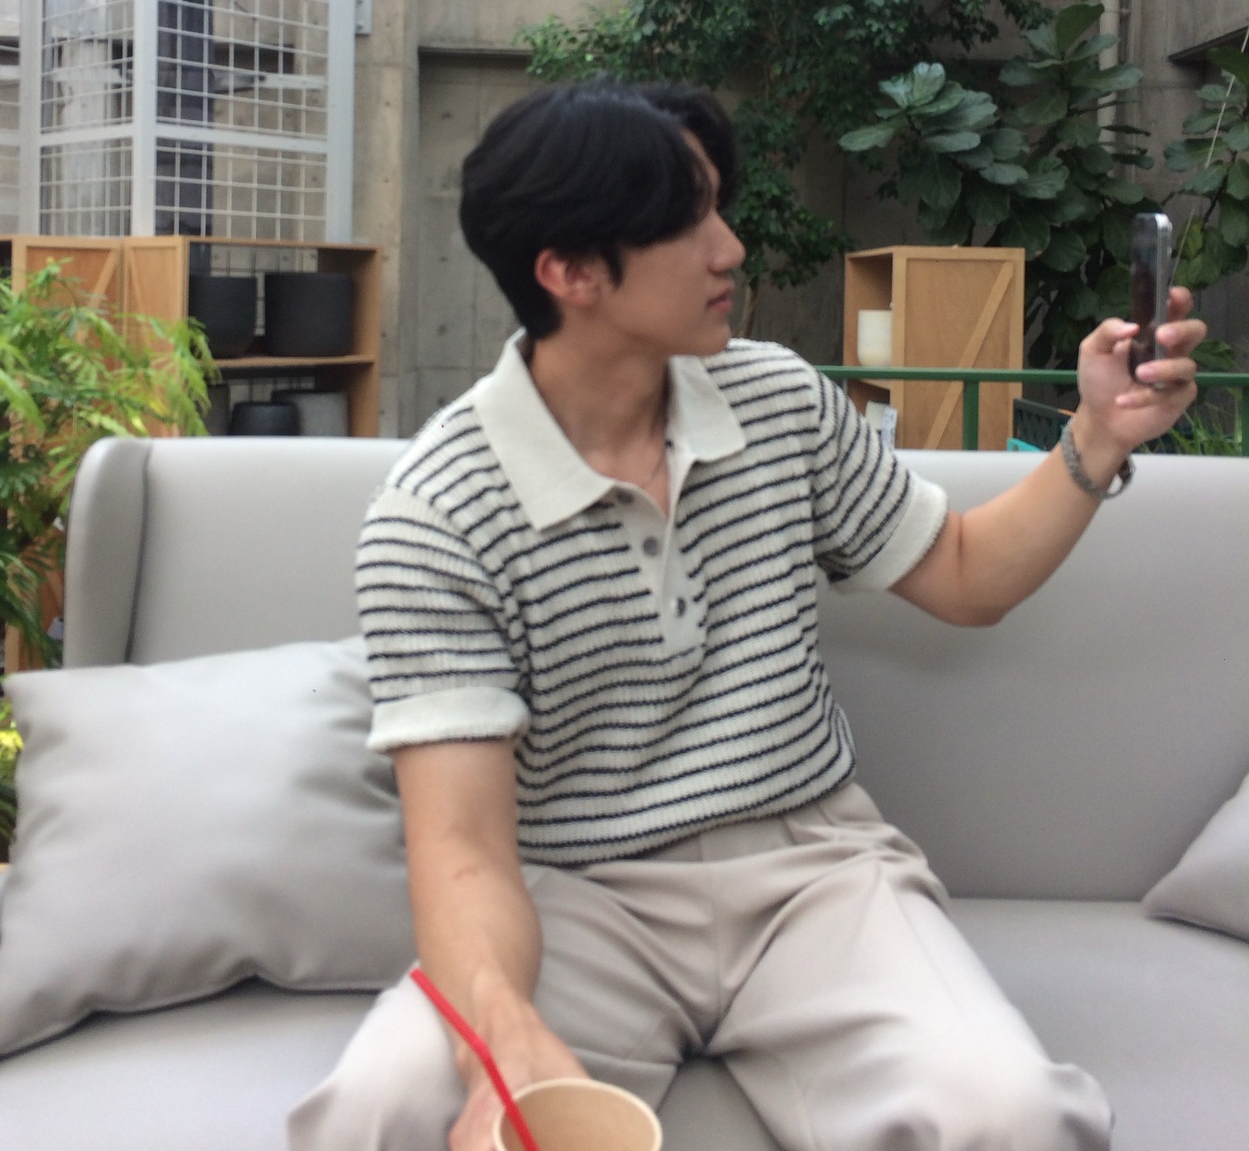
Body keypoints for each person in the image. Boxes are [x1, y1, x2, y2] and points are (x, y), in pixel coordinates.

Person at [289, 79, 1204, 1151]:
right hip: (574, 895)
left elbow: (964, 573)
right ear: (570, 271)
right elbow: (462, 853)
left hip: (812, 872)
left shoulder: (779, 400)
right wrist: (507, 1039)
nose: (730, 248)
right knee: (382, 1114)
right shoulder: (436, 514)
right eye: (689, 221)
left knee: (1011, 1117)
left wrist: (1097, 434)